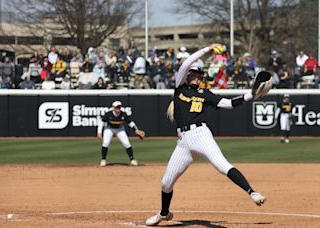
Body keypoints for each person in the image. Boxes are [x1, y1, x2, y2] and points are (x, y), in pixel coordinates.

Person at [145, 44, 271, 226]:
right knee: (166, 183)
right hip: (183, 142)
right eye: (194, 75)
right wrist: (207, 49)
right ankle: (164, 213)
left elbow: (228, 103)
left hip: (200, 134)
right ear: (187, 76)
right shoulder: (180, 88)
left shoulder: (205, 94)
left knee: (222, 165)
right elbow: (186, 63)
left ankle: (252, 192)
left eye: (199, 76)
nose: (197, 78)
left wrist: (251, 96)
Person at [97, 101, 145, 167]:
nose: (118, 108)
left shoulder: (123, 114)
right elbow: (101, 122)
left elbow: (130, 123)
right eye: (117, 107)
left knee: (127, 143)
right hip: (109, 129)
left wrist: (136, 130)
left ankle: (132, 160)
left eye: (119, 106)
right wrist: (99, 132)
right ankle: (103, 160)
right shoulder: (109, 114)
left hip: (119, 129)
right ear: (113, 108)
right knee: (105, 143)